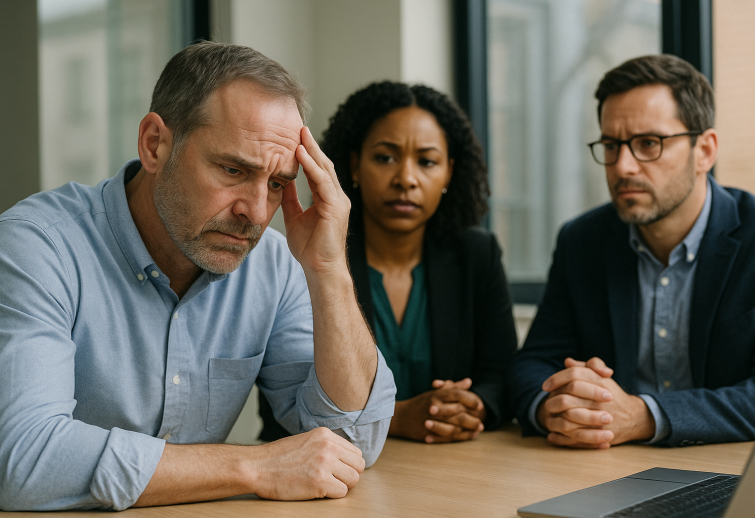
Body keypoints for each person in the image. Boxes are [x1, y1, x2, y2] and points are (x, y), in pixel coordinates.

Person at [0, 42, 396, 511]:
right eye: (233, 170)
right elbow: (22, 459)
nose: (256, 213)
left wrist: (329, 270)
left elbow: (352, 441)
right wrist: (254, 467)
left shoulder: (273, 264)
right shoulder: (35, 247)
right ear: (155, 144)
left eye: (276, 184)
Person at [508, 54, 755, 449]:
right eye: (611, 145)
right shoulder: (581, 241)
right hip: (610, 464)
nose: (623, 166)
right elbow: (532, 363)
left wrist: (643, 415)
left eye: (648, 143)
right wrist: (557, 408)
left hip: (732, 468)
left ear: (704, 150)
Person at [261, 81, 517, 444]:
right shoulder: (313, 255)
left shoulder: (477, 253)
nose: (406, 179)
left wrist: (472, 406)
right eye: (385, 158)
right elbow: (284, 403)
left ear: (448, 172)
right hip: (336, 463)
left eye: (427, 162)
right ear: (354, 165)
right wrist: (398, 418)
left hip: (452, 460)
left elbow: (503, 375)